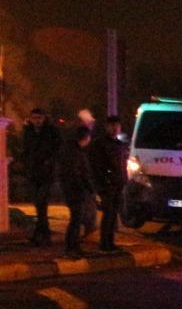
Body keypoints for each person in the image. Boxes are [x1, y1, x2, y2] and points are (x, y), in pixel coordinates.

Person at [19, 108, 61, 245]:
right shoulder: (28, 132)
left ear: (44, 118)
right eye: (34, 118)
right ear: (30, 118)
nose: (37, 121)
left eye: (39, 118)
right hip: (33, 173)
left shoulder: (51, 132)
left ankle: (42, 236)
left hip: (47, 173)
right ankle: (43, 234)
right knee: (39, 205)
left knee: (41, 202)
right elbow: (25, 150)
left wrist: (49, 163)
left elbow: (57, 149)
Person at [88, 114, 128, 251]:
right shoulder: (99, 144)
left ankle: (110, 243)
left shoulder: (119, 145)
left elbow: (122, 165)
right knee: (108, 213)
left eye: (117, 125)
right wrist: (102, 182)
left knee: (113, 214)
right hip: (106, 185)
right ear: (106, 127)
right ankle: (104, 243)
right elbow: (96, 166)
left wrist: (124, 180)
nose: (115, 128)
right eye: (112, 126)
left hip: (118, 184)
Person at [57, 126, 94, 257]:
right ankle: (71, 247)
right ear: (86, 138)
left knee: (76, 219)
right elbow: (78, 174)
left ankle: (73, 246)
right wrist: (87, 189)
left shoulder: (70, 150)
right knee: (76, 219)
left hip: (71, 189)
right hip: (75, 191)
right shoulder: (76, 152)